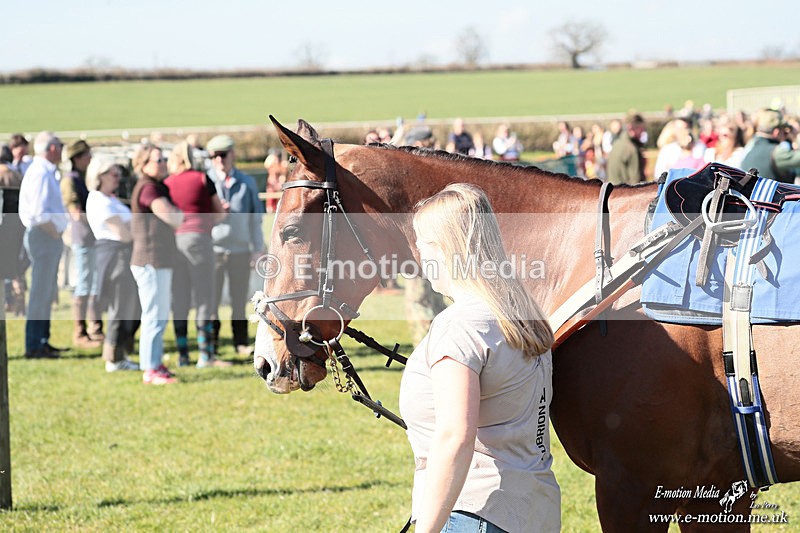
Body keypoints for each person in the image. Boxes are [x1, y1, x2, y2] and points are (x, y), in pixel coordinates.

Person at [399, 183, 560, 533]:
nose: (419, 256)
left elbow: (455, 437)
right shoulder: (522, 314)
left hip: (475, 513)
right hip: (536, 511)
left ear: (446, 249)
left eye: (422, 244)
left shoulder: (458, 326)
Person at [165, 140, 229, 367]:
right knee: (204, 299)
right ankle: (205, 355)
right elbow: (220, 214)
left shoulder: (167, 183)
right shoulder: (203, 179)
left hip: (175, 243)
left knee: (180, 299)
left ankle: (183, 354)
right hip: (200, 240)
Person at [206, 134, 265, 357]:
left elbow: (255, 219)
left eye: (222, 155)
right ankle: (211, 345)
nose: (218, 160)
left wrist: (257, 248)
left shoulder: (246, 182)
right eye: (213, 156)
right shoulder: (206, 180)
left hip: (240, 250)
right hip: (213, 250)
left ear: (232, 155)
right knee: (211, 300)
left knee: (239, 300)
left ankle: (240, 343)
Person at [130, 144, 183, 384]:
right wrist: (177, 214)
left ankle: (155, 363)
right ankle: (150, 370)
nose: (162, 163)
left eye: (163, 159)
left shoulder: (156, 186)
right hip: (150, 259)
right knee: (154, 315)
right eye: (157, 160)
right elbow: (172, 217)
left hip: (159, 259)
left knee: (159, 315)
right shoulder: (148, 187)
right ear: (143, 164)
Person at [18, 131, 70, 359]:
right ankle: (34, 344)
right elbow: (39, 214)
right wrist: (55, 234)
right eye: (58, 145)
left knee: (46, 292)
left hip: (46, 236)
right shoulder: (40, 173)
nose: (61, 149)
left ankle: (42, 340)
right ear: (51, 148)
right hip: (43, 236)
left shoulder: (45, 171)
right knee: (40, 293)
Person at [85, 157, 140, 372]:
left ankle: (121, 352)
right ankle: (114, 358)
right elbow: (124, 234)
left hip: (120, 254)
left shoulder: (110, 199)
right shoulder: (99, 201)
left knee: (127, 306)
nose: (118, 180)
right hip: (115, 254)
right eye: (114, 175)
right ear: (101, 176)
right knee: (120, 306)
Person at [62, 139, 104, 349]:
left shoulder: (79, 179)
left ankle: (95, 328)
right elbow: (76, 213)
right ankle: (80, 331)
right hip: (83, 238)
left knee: (93, 284)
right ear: (77, 158)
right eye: (87, 155)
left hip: (91, 238)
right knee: (85, 284)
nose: (90, 158)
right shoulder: (70, 180)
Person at [740, 109, 800, 183]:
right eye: (784, 131)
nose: (786, 134)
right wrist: (796, 137)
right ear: (776, 132)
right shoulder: (777, 153)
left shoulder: (748, 147)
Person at [606, 113, 647, 185]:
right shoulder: (632, 149)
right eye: (641, 129)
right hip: (626, 193)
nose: (643, 132)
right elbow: (636, 182)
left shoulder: (617, 144)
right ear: (631, 128)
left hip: (613, 192)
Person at [263, 148, 287, 214]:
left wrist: (280, 183)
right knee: (270, 203)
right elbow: (267, 164)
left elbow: (283, 175)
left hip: (278, 185)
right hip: (271, 184)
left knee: (279, 203)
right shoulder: (270, 161)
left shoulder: (282, 165)